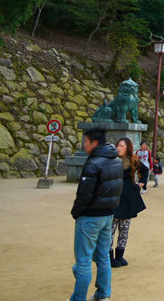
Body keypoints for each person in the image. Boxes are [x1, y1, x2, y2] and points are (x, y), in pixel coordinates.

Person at [69, 128, 123, 301]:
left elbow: (84, 194)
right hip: (108, 215)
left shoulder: (93, 163)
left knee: (83, 261)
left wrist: (76, 212)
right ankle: (103, 294)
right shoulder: (116, 160)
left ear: (95, 143)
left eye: (86, 142)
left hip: (90, 216)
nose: (84, 145)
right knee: (103, 257)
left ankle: (78, 298)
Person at [110, 138, 147, 268]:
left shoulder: (133, 160)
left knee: (124, 229)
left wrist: (141, 184)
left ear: (128, 148)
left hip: (128, 198)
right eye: (118, 145)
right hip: (113, 198)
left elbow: (145, 170)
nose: (118, 148)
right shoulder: (111, 160)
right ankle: (109, 257)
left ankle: (120, 255)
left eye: (121, 146)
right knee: (111, 229)